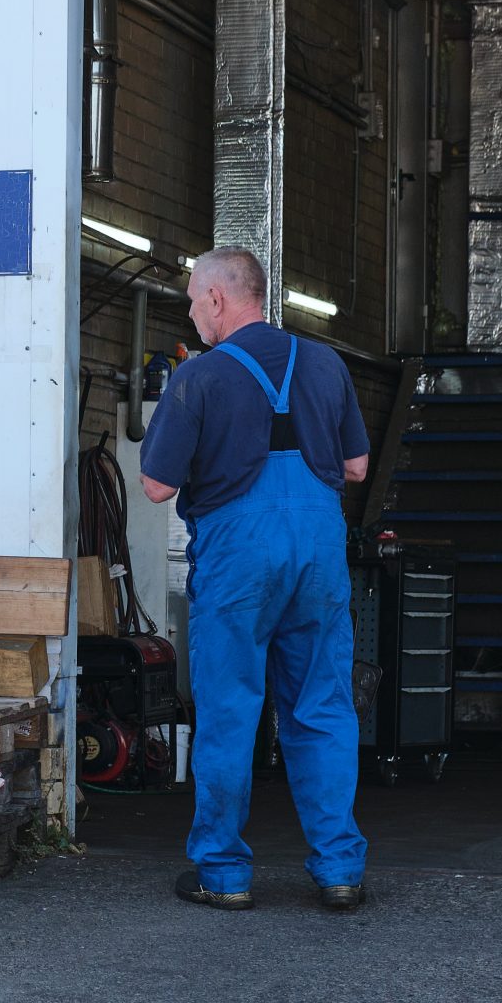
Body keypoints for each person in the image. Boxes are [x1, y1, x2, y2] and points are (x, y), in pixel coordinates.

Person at [140, 246, 371, 913]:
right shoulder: (325, 363)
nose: (191, 312)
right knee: (322, 706)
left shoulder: (199, 376)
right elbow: (355, 467)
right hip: (318, 550)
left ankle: (224, 874)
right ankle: (339, 870)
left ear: (217, 298)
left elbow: (155, 486)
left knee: (229, 709)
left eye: (192, 300)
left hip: (240, 555)